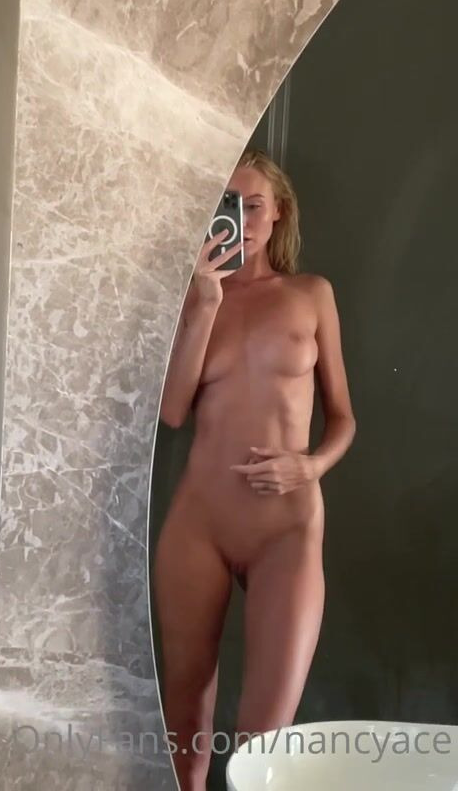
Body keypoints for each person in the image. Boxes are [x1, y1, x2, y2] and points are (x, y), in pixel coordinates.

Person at [154, 147, 354, 789]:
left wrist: (311, 465)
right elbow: (173, 412)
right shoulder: (195, 298)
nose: (240, 217)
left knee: (262, 748)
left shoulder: (311, 295)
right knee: (184, 730)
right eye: (227, 204)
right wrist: (204, 301)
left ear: (279, 213)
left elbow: (344, 419)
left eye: (254, 204)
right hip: (200, 526)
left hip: (285, 528)